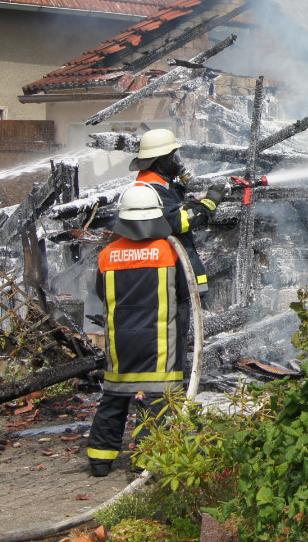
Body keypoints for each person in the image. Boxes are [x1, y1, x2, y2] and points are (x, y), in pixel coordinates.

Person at [87, 184, 190, 477]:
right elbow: (184, 295)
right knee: (155, 401)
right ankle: (144, 461)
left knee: (114, 399)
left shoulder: (107, 255)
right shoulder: (170, 252)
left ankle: (99, 460)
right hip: (158, 344)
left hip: (121, 343)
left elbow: (100, 293)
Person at [128, 129, 225, 297]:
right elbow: (177, 222)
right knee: (186, 309)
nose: (177, 161)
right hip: (173, 276)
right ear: (162, 162)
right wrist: (209, 203)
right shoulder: (150, 191)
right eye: (174, 157)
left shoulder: (161, 186)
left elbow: (176, 210)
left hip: (177, 272)